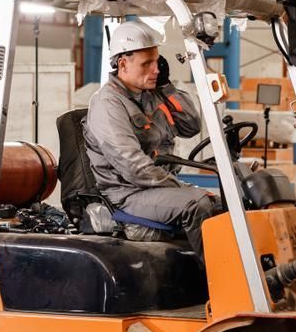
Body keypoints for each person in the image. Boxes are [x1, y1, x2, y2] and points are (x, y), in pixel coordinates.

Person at [84, 21, 216, 257]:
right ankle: (220, 281)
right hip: (128, 194)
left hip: (156, 188)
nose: (155, 69)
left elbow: (191, 126)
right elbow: (133, 166)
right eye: (147, 64)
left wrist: (165, 86)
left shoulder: (151, 94)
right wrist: (180, 187)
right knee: (198, 205)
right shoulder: (108, 104)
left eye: (157, 62)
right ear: (123, 64)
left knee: (225, 201)